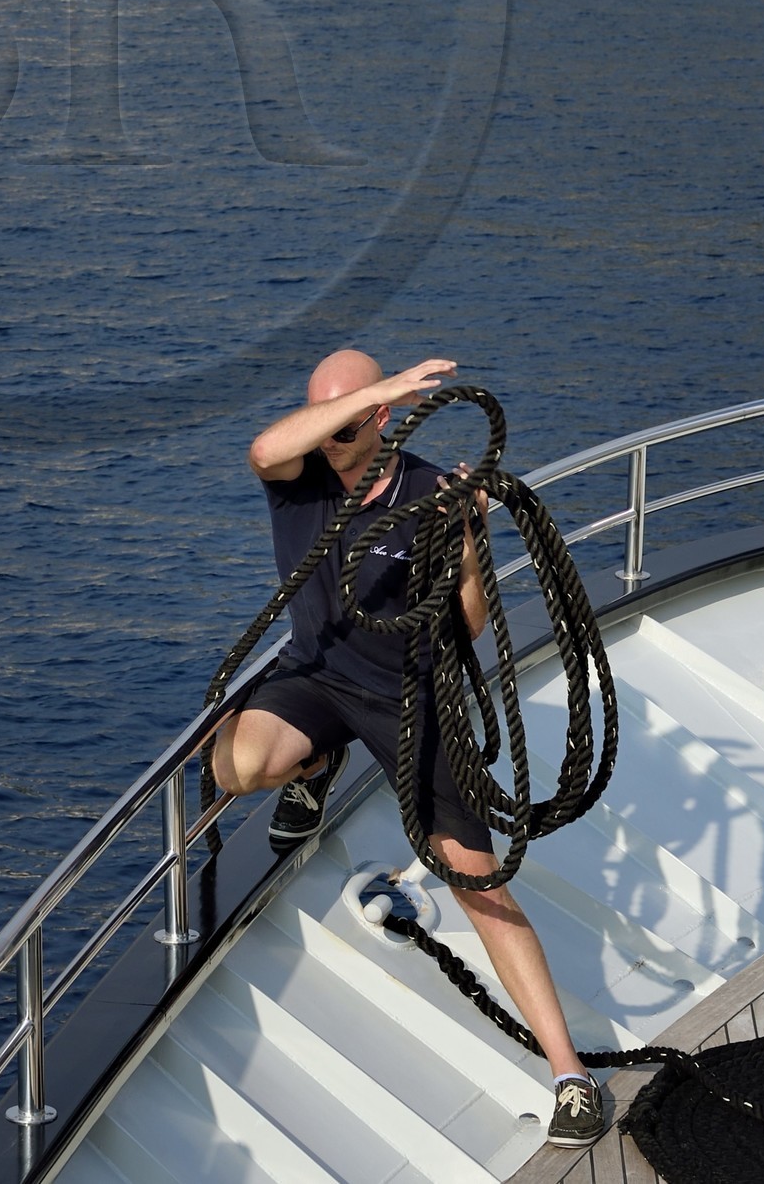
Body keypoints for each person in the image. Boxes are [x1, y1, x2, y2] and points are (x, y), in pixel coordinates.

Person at [212, 349, 607, 1150]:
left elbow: (468, 623)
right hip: (316, 676)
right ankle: (314, 765)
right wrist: (375, 393)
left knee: (475, 879)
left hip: (407, 699)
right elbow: (264, 448)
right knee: (237, 767)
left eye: (345, 424)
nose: (328, 439)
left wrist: (468, 542)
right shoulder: (299, 480)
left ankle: (571, 1076)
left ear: (383, 422)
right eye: (319, 419)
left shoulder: (431, 494)